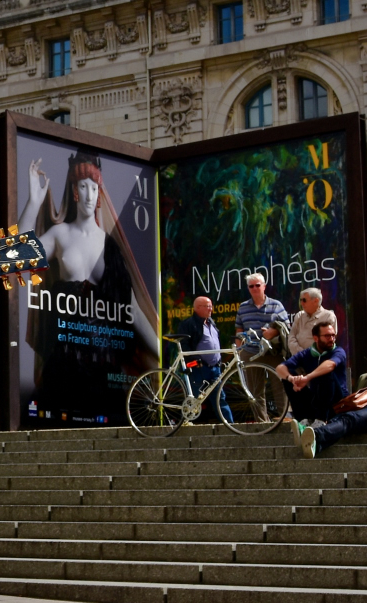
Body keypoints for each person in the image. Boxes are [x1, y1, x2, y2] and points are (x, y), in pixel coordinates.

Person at [18, 150, 159, 422]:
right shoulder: (61, 234)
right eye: (83, 186)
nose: (88, 193)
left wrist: (161, 354)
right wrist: (34, 201)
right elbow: (21, 258)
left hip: (106, 366)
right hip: (64, 363)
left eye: (94, 187)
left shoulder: (111, 247)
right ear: (74, 192)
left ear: (99, 193)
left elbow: (133, 311)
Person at [276, 319, 349, 422]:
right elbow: (280, 368)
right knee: (287, 378)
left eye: (333, 335)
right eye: (327, 336)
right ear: (316, 338)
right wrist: (292, 379)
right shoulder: (307, 353)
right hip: (316, 400)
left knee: (324, 372)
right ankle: (303, 420)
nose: (332, 339)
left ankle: (321, 420)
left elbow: (330, 365)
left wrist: (307, 378)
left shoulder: (338, 351)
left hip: (337, 402)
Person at [171, 296, 229, 423]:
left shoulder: (211, 322)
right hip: (198, 367)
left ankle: (231, 426)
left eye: (211, 305)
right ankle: (184, 423)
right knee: (194, 399)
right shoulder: (188, 324)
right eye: (207, 306)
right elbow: (185, 345)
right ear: (197, 308)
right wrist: (194, 360)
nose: (210, 308)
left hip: (215, 368)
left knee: (220, 398)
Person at [234, 273, 289, 362]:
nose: (254, 288)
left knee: (277, 376)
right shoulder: (243, 307)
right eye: (251, 286)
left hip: (273, 351)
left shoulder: (276, 305)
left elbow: (287, 326)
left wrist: (274, 332)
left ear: (264, 286)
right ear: (248, 288)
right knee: (250, 377)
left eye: (257, 285)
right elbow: (239, 330)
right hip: (250, 353)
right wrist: (240, 351)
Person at [285, 287, 334, 356]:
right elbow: (291, 337)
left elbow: (329, 341)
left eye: (304, 300)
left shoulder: (328, 316)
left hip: (319, 360)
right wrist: (301, 354)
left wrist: (311, 356)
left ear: (315, 301)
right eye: (300, 300)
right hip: (298, 360)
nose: (301, 303)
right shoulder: (299, 316)